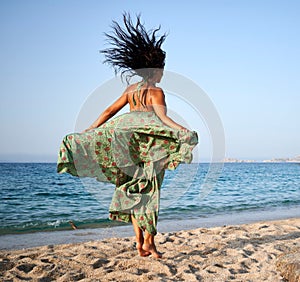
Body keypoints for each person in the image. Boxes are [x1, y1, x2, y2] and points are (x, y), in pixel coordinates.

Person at [57, 13, 198, 259]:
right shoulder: (157, 91)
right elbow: (163, 119)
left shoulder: (130, 90)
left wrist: (91, 129)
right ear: (156, 70)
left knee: (130, 190)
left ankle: (138, 243)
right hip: (151, 149)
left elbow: (109, 111)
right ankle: (150, 243)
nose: (163, 74)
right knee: (151, 194)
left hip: (127, 148)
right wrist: (182, 131)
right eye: (162, 70)